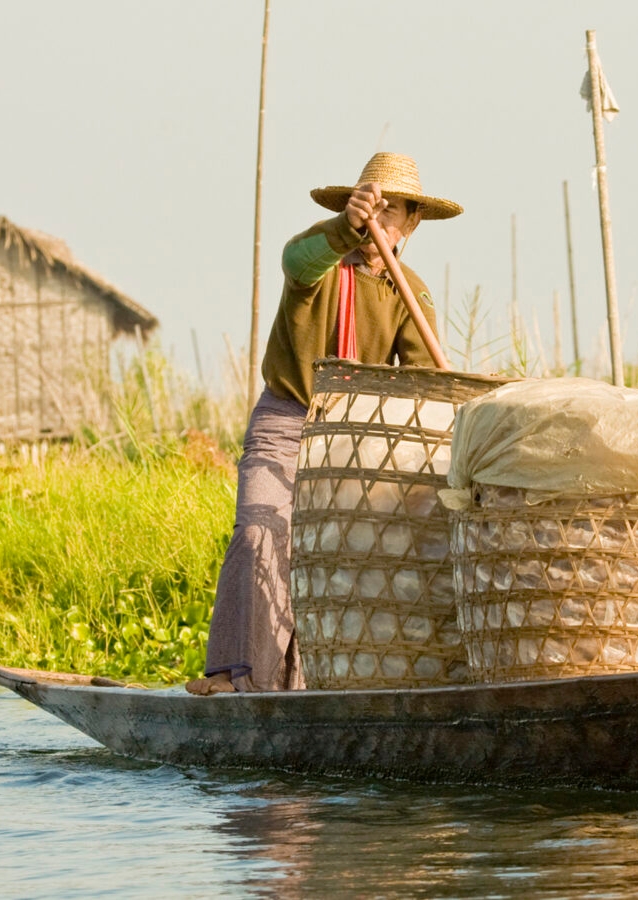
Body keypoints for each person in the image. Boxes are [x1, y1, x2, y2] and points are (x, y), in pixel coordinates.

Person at [187, 152, 462, 695]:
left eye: (391, 215)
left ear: (410, 223)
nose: (377, 226)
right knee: (262, 530)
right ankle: (236, 676)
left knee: (336, 557)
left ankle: (310, 687)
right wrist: (345, 226)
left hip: (354, 437)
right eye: (369, 211)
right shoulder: (320, 261)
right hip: (288, 418)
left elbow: (425, 385)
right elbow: (299, 258)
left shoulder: (409, 290)